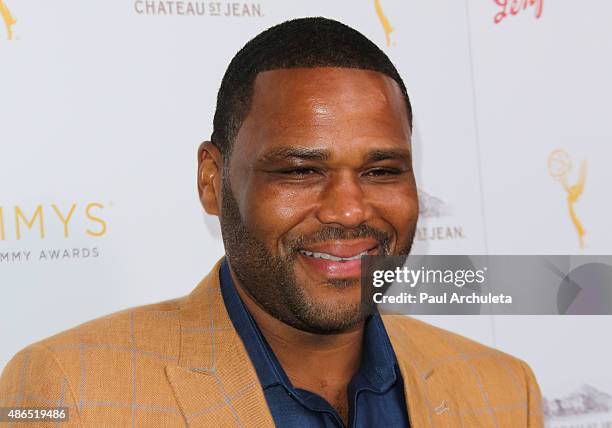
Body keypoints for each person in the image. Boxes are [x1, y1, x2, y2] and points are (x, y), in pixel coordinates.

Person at [0, 17, 543, 427]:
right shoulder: (69, 390)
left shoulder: (501, 390)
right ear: (213, 181)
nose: (350, 210)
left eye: (381, 170)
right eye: (300, 170)